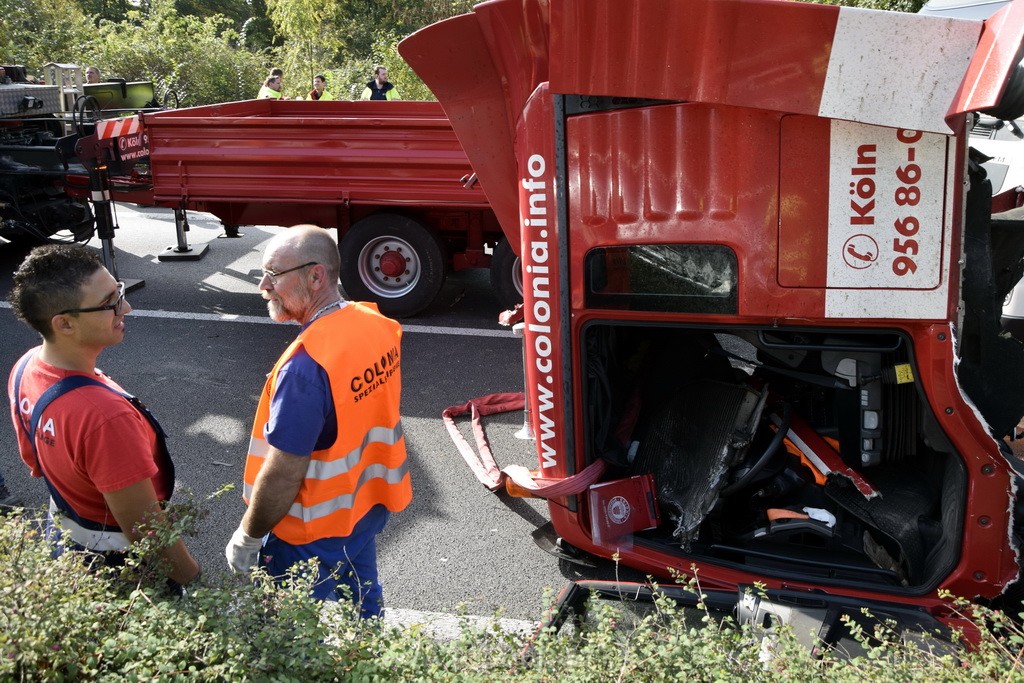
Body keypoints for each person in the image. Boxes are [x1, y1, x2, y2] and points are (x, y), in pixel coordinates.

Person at [225, 225, 411, 618]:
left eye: (273, 274)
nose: (263, 285)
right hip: (364, 508)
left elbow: (282, 474)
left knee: (285, 634)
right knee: (361, 602)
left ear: (315, 276)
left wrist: (249, 535)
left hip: (309, 532)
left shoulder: (305, 369)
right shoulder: (376, 323)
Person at [7, 244, 200, 588]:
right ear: (64, 323)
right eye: (109, 302)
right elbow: (147, 534)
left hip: (65, 540)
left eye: (119, 292)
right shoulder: (105, 418)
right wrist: (194, 582)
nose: (125, 306)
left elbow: (35, 462)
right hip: (123, 568)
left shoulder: (26, 366)